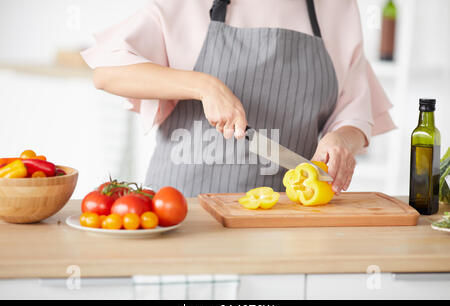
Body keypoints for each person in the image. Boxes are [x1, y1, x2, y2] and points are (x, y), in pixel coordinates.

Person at [82, 0, 395, 197]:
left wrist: (341, 140)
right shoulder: (185, 4)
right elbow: (107, 72)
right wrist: (204, 86)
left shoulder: (337, 8)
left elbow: (355, 114)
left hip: (287, 220)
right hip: (183, 216)